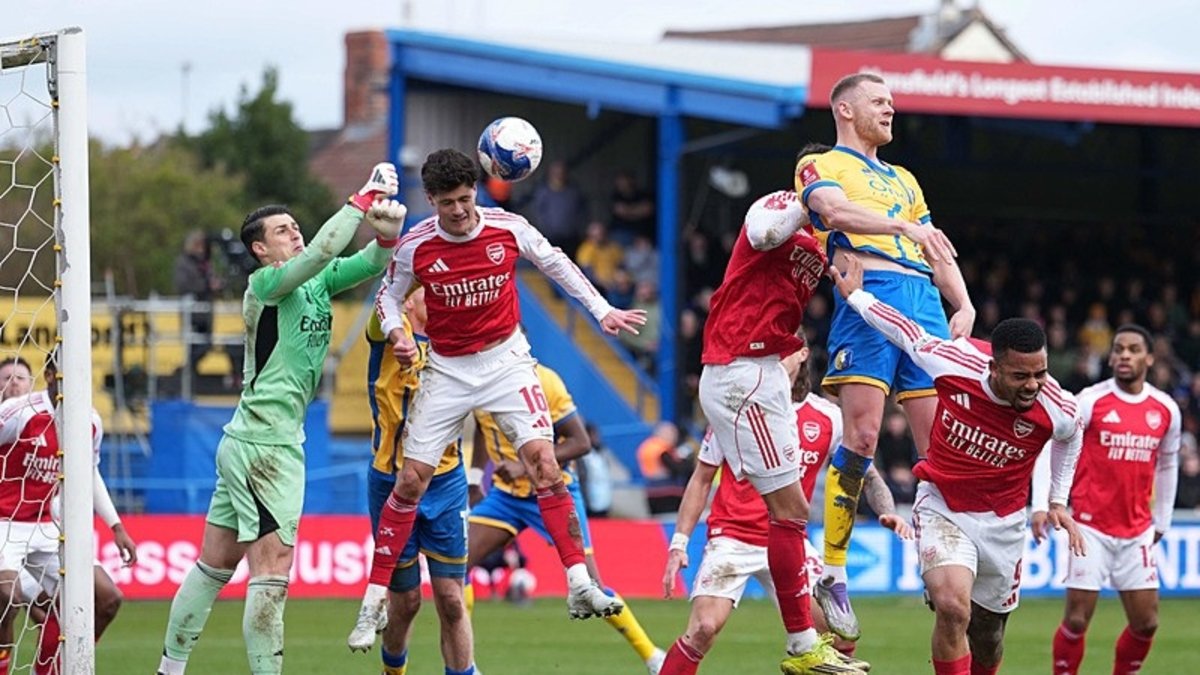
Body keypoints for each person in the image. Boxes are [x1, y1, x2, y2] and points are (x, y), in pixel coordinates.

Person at [353, 149, 644, 641]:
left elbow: (555, 263)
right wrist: (397, 331)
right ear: (431, 201)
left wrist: (601, 310)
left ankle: (577, 581)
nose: (461, 212)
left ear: (477, 192)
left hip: (507, 360)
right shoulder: (416, 246)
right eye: (448, 203)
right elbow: (388, 295)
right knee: (410, 481)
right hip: (447, 367)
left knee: (546, 464)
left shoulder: (507, 227)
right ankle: (373, 600)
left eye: (467, 199)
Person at [156, 162, 405, 675]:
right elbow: (323, 251)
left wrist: (387, 238)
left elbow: (363, 264)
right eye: (282, 231)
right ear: (260, 250)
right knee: (272, 573)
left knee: (214, 565)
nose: (294, 234)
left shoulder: (313, 284)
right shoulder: (266, 284)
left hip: (250, 441)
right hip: (265, 449)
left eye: (295, 227)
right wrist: (361, 198)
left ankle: (169, 670)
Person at [828, 255, 1085, 675]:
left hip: (1003, 523)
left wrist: (1057, 500)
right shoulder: (954, 362)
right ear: (994, 366)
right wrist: (856, 295)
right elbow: (904, 331)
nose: (1034, 385)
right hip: (943, 506)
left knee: (988, 636)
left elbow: (1071, 437)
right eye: (1021, 377)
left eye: (1040, 373)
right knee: (951, 607)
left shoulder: (1058, 407)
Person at [795, 75, 972, 641]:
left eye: (891, 100)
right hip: (868, 298)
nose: (891, 107)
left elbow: (934, 246)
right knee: (864, 438)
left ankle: (938, 557)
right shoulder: (821, 164)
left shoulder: (905, 178)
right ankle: (835, 571)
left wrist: (963, 303)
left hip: (924, 303)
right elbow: (833, 212)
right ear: (845, 109)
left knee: (936, 450)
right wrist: (900, 226)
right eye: (879, 100)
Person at [661, 345, 912, 675]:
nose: (776, 360)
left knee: (837, 633)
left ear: (803, 354)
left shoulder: (827, 417)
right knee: (703, 629)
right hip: (733, 537)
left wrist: (887, 508)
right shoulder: (737, 410)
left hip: (789, 541)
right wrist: (679, 543)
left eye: (784, 351)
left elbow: (865, 472)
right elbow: (701, 478)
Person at [696, 189, 854, 675]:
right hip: (740, 368)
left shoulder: (821, 243)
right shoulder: (781, 209)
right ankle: (802, 644)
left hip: (757, 371)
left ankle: (808, 640)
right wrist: (805, 204)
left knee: (791, 512)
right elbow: (763, 231)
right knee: (790, 509)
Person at [467, 363, 665, 674]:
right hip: (505, 496)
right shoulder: (478, 380)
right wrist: (474, 478)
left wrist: (526, 465)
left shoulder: (545, 381)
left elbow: (580, 442)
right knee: (456, 563)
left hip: (554, 491)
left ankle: (653, 657)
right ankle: (466, 666)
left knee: (593, 585)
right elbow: (481, 425)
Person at [1030, 324, 1181, 675]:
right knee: (1078, 619)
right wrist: (1042, 504)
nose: (1124, 355)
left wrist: (1163, 519)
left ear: (1150, 357)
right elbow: (1050, 447)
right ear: (1110, 356)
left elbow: (1169, 463)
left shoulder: (1166, 409)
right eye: (1118, 349)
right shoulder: (1090, 401)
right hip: (1089, 526)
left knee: (1146, 623)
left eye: (1132, 349)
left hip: (1137, 530)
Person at [352, 286, 477, 674]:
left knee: (452, 600)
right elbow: (389, 290)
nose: (441, 294)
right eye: (428, 290)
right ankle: (393, 671)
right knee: (405, 601)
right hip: (392, 480)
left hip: (445, 481)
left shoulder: (457, 337)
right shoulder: (388, 331)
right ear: (408, 299)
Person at [0, 353, 138, 675]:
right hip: (5, 523)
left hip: (48, 526)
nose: (76, 384)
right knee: (8, 597)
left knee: (106, 598)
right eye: (67, 376)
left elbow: (89, 472)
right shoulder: (18, 413)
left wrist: (116, 526)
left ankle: (47, 671)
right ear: (49, 376)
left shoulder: (89, 421)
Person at [173, 230, 222, 372]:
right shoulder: (183, 263)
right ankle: (188, 371)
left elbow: (212, 279)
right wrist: (206, 285)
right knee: (194, 343)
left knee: (206, 343)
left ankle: (190, 370)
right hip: (192, 312)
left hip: (206, 311)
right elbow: (183, 285)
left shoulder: (205, 264)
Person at [529, 159, 588, 255]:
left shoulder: (574, 191)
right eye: (556, 173)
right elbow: (537, 212)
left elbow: (583, 211)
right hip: (550, 238)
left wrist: (580, 228)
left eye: (561, 172)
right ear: (550, 174)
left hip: (572, 237)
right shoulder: (543, 192)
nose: (559, 175)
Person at [576, 422, 614, 518]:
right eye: (592, 435)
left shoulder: (602, 452)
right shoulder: (581, 457)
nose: (596, 438)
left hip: (604, 500)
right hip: (588, 503)